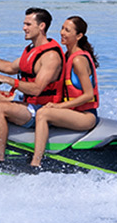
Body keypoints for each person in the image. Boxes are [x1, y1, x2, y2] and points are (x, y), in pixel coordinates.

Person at [0, 7, 63, 163]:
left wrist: (7, 80)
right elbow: (10, 68)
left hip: (41, 108)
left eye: (28, 24)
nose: (24, 28)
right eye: (24, 24)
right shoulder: (32, 50)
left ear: (42, 26)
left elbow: (37, 89)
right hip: (27, 100)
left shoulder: (51, 56)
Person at [26, 15, 100, 169]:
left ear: (78, 36)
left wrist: (59, 107)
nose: (62, 33)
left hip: (86, 116)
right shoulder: (67, 56)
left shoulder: (79, 60)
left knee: (43, 114)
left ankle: (35, 163)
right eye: (62, 28)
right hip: (73, 112)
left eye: (67, 30)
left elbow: (88, 95)